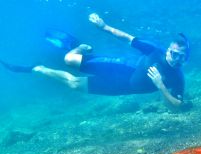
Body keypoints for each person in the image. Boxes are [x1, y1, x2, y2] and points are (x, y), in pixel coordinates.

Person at [1, 13, 190, 108]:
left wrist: (161, 86)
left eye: (182, 57)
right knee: (68, 59)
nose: (177, 59)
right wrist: (104, 26)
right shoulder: (154, 50)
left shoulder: (178, 78)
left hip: (120, 88)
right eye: (174, 54)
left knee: (74, 84)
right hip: (119, 66)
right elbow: (127, 38)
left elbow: (177, 106)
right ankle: (78, 46)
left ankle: (39, 69)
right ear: (168, 50)